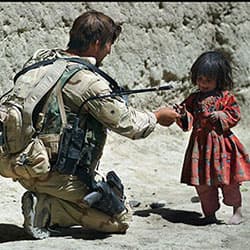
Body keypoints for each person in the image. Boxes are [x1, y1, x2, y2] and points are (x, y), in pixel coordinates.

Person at [6, 10, 179, 239]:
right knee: (119, 219)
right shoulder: (88, 81)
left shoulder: (40, 59)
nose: (109, 51)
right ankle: (46, 209)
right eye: (108, 45)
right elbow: (130, 125)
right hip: (53, 173)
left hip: (17, 162)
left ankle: (48, 199)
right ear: (97, 43)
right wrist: (157, 116)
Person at [174, 51, 250, 225]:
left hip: (223, 146)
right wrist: (182, 113)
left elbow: (235, 114)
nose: (203, 84)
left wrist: (222, 115)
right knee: (203, 184)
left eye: (208, 80)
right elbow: (189, 120)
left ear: (219, 79)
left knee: (229, 180)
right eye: (200, 79)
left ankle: (237, 210)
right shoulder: (194, 99)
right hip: (200, 147)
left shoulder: (226, 97)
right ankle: (209, 214)